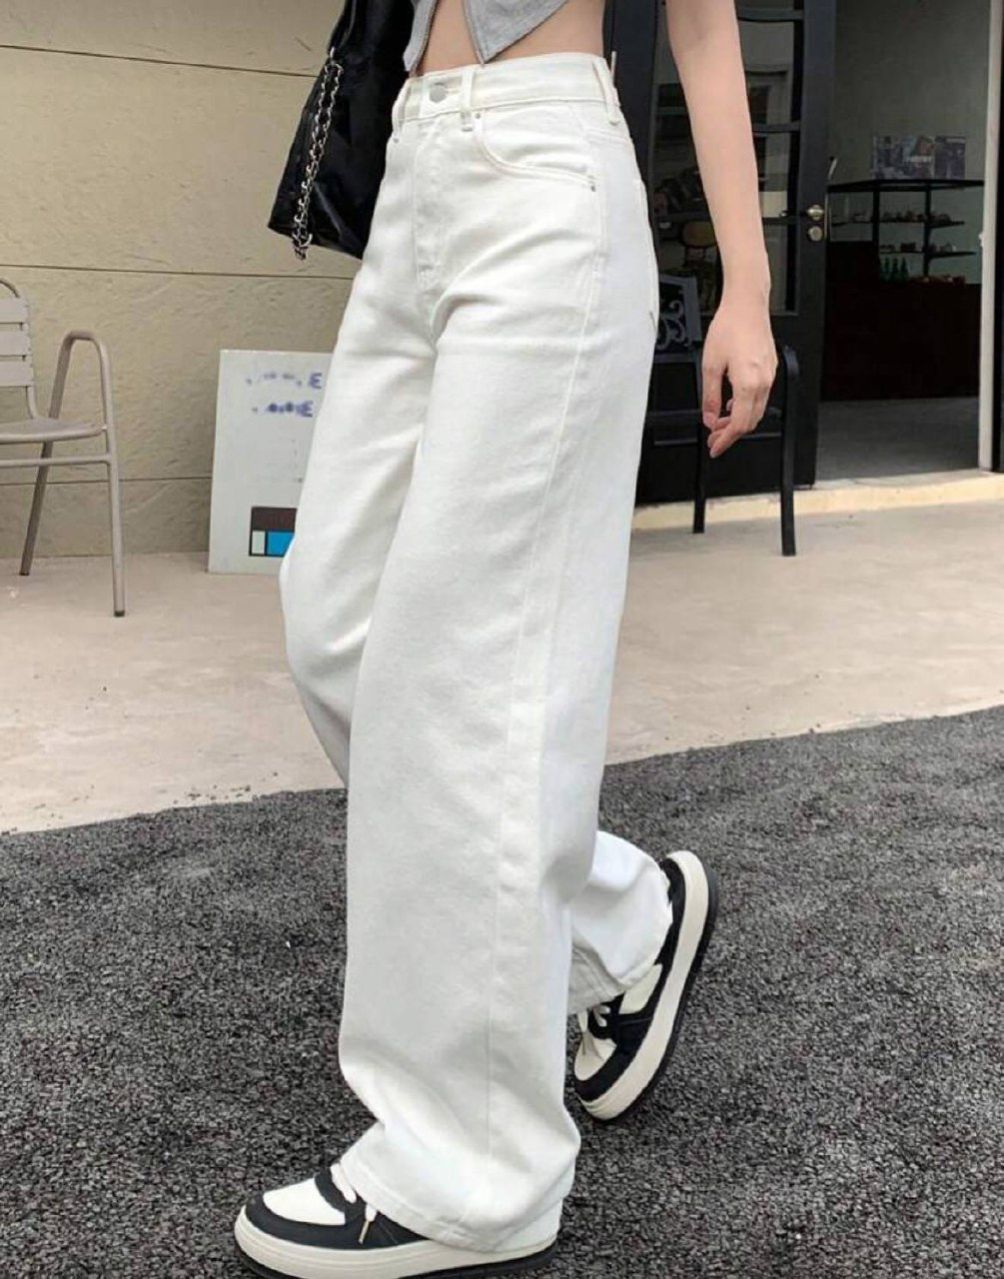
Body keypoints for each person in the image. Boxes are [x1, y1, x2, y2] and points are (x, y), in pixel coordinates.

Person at [233, 1, 776, 1275]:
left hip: (544, 174)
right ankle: (617, 920)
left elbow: (702, 29)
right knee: (333, 627)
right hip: (414, 173)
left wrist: (746, 291)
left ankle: (477, 1165)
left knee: (461, 673)